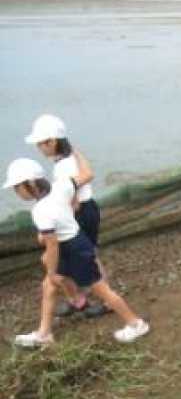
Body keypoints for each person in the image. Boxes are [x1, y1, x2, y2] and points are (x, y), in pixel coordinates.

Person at [3, 158, 149, 346]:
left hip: (73, 249)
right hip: (75, 241)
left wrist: (52, 270)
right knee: (49, 286)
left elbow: (52, 244)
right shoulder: (61, 186)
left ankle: (136, 324)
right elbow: (86, 175)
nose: (17, 192)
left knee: (100, 289)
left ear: (30, 184)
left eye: (17, 187)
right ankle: (44, 334)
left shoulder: (40, 211)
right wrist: (75, 154)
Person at [25, 114, 108, 318]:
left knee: (82, 257)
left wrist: (56, 220)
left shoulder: (62, 168)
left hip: (79, 213)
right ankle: (80, 298)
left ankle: (101, 299)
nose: (39, 149)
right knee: (81, 257)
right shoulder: (70, 158)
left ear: (52, 142)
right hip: (87, 210)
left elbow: (73, 201)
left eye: (40, 145)